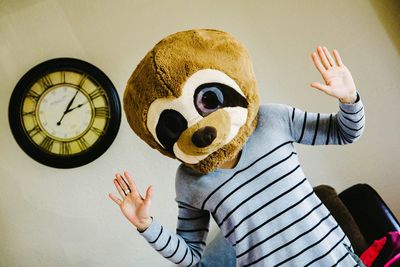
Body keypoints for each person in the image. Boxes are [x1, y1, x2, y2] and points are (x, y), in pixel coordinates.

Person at [109, 43, 365, 266]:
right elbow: (191, 256)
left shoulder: (271, 119)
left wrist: (349, 99)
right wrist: (146, 225)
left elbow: (345, 133)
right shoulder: (189, 178)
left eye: (208, 100)